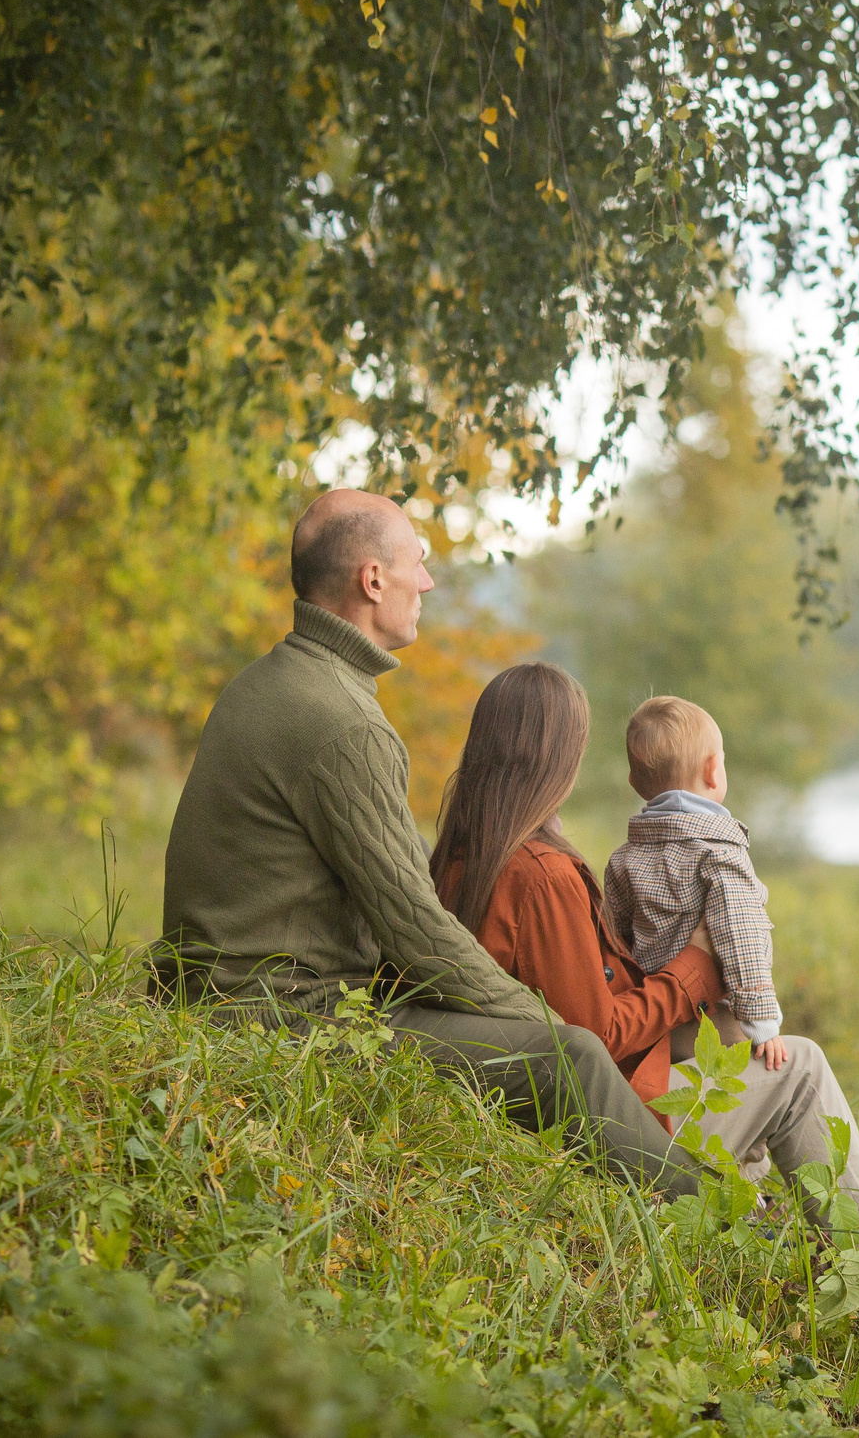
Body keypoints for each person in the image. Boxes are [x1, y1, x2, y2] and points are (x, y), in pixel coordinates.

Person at [155, 488, 696, 1195]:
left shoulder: (264, 685)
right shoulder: (343, 722)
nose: (429, 581)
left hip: (218, 1002)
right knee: (572, 1057)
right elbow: (417, 931)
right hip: (291, 1020)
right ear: (372, 579)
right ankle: (718, 1224)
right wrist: (545, 1017)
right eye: (419, 562)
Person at [431, 661, 859, 1241]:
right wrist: (696, 967)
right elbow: (593, 1035)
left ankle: (744, 1231)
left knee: (729, 1058)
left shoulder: (459, 860)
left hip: (536, 1109)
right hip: (614, 1123)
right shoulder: (542, 875)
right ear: (557, 761)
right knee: (798, 1066)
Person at [603, 696, 785, 1072]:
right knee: (765, 1083)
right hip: (716, 1019)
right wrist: (763, 1023)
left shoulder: (623, 859)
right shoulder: (718, 854)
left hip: (659, 1021)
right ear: (712, 769)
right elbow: (741, 935)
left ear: (635, 783)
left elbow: (616, 945)